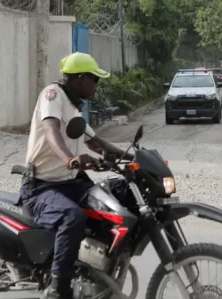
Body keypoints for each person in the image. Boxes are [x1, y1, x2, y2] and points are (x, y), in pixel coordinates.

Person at [19, 52, 134, 299]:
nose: (97, 85)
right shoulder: (53, 95)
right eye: (95, 79)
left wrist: (135, 159)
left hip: (68, 183)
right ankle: (58, 289)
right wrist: (69, 159)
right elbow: (51, 131)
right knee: (72, 217)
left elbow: (95, 143)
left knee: (112, 201)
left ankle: (94, 271)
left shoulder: (73, 107)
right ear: (81, 78)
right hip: (41, 186)